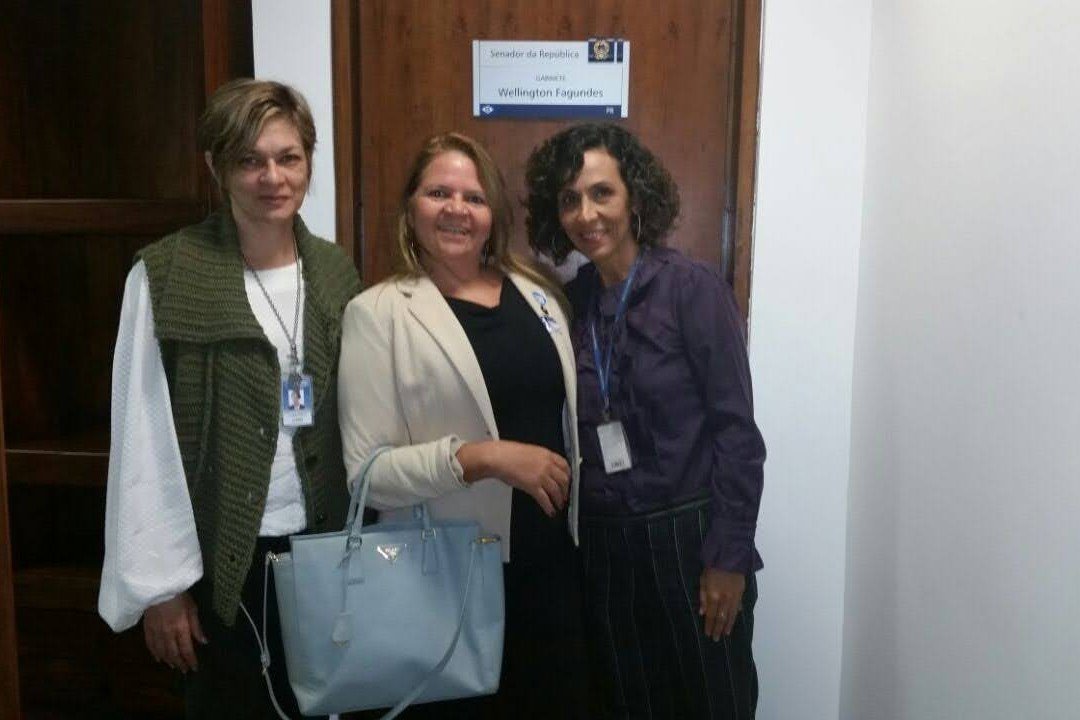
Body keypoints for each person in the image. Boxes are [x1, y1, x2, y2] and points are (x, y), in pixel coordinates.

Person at [98, 79, 361, 719]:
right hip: (221, 565)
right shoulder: (167, 275)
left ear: (308, 161)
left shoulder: (336, 272)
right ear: (216, 167)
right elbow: (141, 436)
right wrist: (162, 587)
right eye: (250, 160)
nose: (273, 177)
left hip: (326, 550)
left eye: (288, 157)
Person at [338, 132, 591, 718]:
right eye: (438, 193)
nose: (457, 209)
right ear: (410, 208)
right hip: (446, 579)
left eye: (473, 197)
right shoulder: (377, 314)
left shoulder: (540, 296)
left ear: (493, 213)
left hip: (551, 571)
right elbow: (368, 476)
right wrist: (486, 457)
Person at [525, 123, 766, 719]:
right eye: (570, 199)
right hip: (605, 551)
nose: (586, 214)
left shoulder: (691, 290)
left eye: (601, 193)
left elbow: (737, 434)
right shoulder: (571, 302)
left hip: (692, 542)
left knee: (714, 705)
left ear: (634, 195)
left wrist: (728, 558)